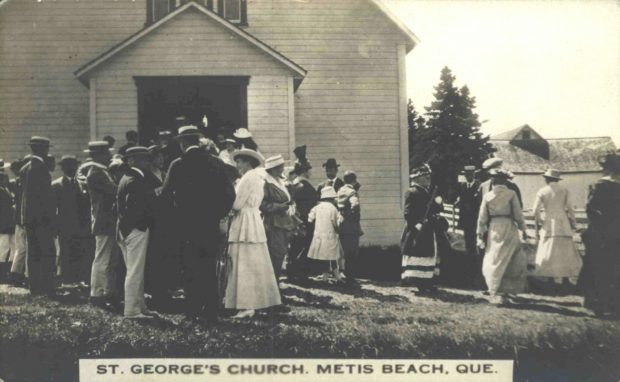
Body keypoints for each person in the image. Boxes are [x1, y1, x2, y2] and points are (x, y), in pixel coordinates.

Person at [161, 125, 235, 323]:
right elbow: (230, 195)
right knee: (209, 266)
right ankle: (210, 311)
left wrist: (174, 216)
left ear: (183, 143)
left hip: (185, 225)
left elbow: (166, 195)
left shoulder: (178, 164)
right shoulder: (215, 163)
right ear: (198, 141)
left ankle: (193, 311)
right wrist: (217, 214)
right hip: (209, 223)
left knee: (189, 266)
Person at [225, 148, 281, 318]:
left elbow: (236, 204)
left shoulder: (247, 178)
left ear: (248, 162)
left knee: (243, 263)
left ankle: (246, 306)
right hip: (253, 220)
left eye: (239, 162)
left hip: (244, 221)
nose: (237, 165)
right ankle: (255, 303)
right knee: (255, 263)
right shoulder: (258, 178)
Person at [477, 169, 528, 305]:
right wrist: (523, 229)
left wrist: (479, 234)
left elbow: (482, 218)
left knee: (495, 257)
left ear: (493, 181)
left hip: (494, 227)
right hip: (509, 226)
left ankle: (495, 289)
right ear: (505, 181)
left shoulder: (488, 196)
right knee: (511, 257)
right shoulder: (511, 194)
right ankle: (507, 290)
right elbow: (518, 214)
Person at [116, 146, 156, 319]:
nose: (147, 162)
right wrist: (139, 226)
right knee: (134, 271)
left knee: (134, 270)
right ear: (133, 161)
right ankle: (132, 310)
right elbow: (134, 208)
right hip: (134, 230)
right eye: (144, 158)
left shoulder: (128, 177)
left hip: (125, 229)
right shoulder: (135, 179)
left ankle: (140, 306)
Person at [579, 150, 620, 317]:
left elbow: (590, 208)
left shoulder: (600, 185)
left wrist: (600, 225)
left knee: (599, 265)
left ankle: (597, 303)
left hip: (601, 231)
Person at [531, 169, 582, 288]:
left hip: (548, 224)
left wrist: (540, 220)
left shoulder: (542, 191)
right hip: (563, 224)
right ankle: (565, 279)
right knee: (564, 252)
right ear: (557, 179)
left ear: (548, 179)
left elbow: (535, 210)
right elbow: (570, 208)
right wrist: (574, 224)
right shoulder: (564, 190)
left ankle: (549, 279)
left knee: (549, 251)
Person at [85, 141, 120, 308]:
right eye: (107, 153)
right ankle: (97, 293)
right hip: (103, 221)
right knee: (102, 259)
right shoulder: (96, 174)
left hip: (107, 221)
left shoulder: (102, 172)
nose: (110, 155)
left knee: (110, 259)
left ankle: (107, 291)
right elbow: (114, 191)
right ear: (98, 155)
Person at [21, 136, 56, 296]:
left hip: (29, 217)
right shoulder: (39, 167)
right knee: (45, 251)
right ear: (43, 149)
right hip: (41, 218)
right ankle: (46, 287)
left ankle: (35, 286)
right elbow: (44, 197)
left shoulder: (26, 167)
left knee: (33, 252)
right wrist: (50, 217)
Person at [401, 164, 444, 294]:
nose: (428, 179)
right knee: (419, 255)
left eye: (429, 177)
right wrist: (417, 224)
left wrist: (438, 203)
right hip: (417, 230)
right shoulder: (412, 192)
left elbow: (433, 209)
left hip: (428, 229)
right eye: (425, 177)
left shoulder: (426, 192)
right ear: (418, 178)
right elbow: (408, 213)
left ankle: (427, 282)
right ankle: (421, 284)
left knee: (428, 255)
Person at [260, 155, 298, 281]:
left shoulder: (279, 182)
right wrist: (278, 206)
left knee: (280, 254)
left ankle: (274, 285)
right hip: (273, 223)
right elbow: (261, 204)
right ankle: (272, 286)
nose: (283, 170)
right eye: (280, 167)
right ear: (273, 169)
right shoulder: (266, 183)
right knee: (275, 254)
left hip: (284, 223)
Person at [52, 155, 88, 285]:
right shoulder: (56, 185)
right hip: (65, 227)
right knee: (66, 254)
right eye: (68, 167)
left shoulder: (82, 184)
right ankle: (68, 281)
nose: (72, 169)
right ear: (63, 168)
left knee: (79, 252)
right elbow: (53, 209)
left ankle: (78, 280)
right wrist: (55, 227)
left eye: (74, 166)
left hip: (81, 226)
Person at [288, 145, 318, 281]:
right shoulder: (304, 186)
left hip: (295, 221)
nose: (310, 172)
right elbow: (307, 206)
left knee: (295, 247)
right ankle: (298, 274)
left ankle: (292, 272)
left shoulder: (294, 184)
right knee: (302, 247)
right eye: (309, 170)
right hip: (304, 221)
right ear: (305, 171)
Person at [307, 186, 344, 281]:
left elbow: (310, 219)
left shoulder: (316, 207)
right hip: (330, 235)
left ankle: (325, 276)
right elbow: (336, 223)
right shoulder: (333, 209)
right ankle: (336, 276)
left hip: (319, 235)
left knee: (324, 257)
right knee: (333, 256)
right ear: (332, 198)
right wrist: (338, 229)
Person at [454, 165, 481, 286]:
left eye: (470, 174)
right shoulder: (462, 186)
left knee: (477, 244)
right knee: (468, 244)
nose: (468, 177)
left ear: (474, 175)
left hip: (476, 219)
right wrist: (458, 202)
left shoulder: (479, 186)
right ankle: (470, 270)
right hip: (466, 220)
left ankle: (477, 270)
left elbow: (481, 202)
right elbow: (461, 198)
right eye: (466, 175)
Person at [337, 170, 363, 283]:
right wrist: (351, 216)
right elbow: (355, 204)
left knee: (344, 252)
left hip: (341, 225)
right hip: (351, 226)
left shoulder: (340, 190)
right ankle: (350, 278)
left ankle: (345, 275)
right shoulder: (352, 192)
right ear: (354, 180)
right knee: (352, 253)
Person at [8, 157, 28, 286]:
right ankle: (18, 274)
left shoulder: (16, 182)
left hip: (19, 219)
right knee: (22, 248)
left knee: (20, 248)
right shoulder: (21, 182)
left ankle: (16, 274)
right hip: (22, 219)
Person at [0, 165, 15, 282]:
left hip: (8, 224)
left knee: (11, 247)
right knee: (3, 248)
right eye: (5, 179)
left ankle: (7, 272)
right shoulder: (1, 191)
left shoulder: (6, 190)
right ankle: (2, 274)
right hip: (3, 224)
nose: (8, 181)